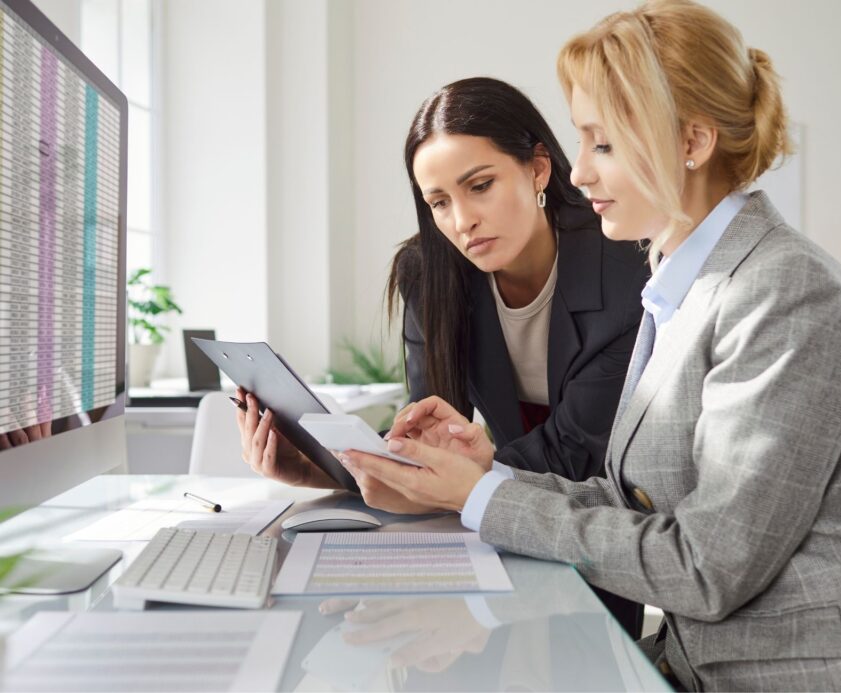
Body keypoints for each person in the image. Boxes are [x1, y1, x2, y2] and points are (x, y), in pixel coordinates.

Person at [339, 2, 841, 690]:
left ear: (692, 143)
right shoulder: (683, 283)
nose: (578, 174)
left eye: (602, 144)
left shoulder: (785, 290)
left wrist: (488, 498)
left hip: (819, 672)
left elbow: (706, 565)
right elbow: (634, 498)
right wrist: (484, 479)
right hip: (706, 661)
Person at [235, 76, 649, 637]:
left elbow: (578, 454)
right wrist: (320, 471)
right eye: (438, 202)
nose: (461, 220)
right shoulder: (429, 273)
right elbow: (427, 435)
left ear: (538, 168)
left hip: (590, 529)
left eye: (480, 186)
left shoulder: (626, 266)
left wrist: (448, 482)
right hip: (486, 541)